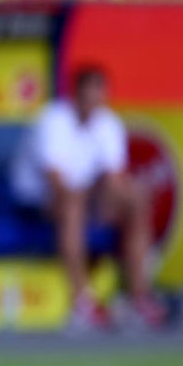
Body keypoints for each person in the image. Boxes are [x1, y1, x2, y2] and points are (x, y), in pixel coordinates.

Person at [11, 66, 164, 332]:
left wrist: (115, 201)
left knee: (136, 202)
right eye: (89, 92)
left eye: (99, 92)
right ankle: (81, 302)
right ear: (76, 93)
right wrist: (94, 202)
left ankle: (139, 297)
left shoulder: (108, 123)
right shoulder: (53, 119)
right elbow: (55, 179)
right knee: (73, 205)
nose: (94, 99)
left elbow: (114, 178)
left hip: (83, 196)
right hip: (35, 199)